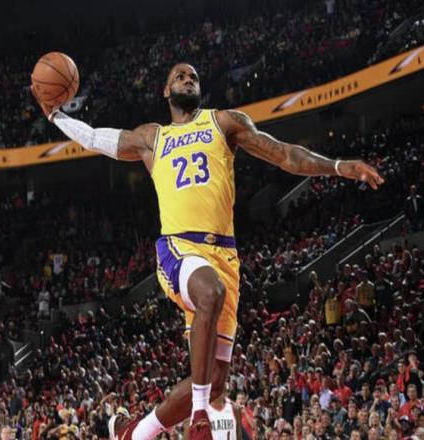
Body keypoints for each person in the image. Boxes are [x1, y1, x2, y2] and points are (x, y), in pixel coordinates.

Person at [32, 62, 384, 440]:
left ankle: (133, 433)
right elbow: (93, 138)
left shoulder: (225, 122)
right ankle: (200, 414)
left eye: (194, 77)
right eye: (180, 76)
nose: (188, 79)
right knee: (210, 294)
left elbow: (284, 154)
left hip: (225, 256)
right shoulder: (153, 137)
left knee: (216, 380)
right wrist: (55, 116)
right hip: (179, 246)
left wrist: (338, 166)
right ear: (166, 91)